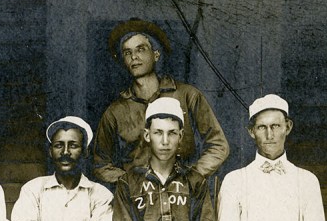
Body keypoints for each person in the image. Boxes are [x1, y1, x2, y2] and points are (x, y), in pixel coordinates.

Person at [93, 18, 229, 190]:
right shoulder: (115, 111)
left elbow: (218, 145)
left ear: (156, 55)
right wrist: (131, 182)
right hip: (138, 201)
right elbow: (100, 164)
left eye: (141, 49)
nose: (134, 57)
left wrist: (191, 177)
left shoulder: (187, 95)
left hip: (183, 196)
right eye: (127, 53)